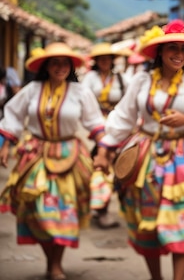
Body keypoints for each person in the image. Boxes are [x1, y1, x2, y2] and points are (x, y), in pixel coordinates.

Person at [93, 19, 184, 280]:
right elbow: (123, 117)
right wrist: (105, 149)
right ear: (159, 52)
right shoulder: (142, 80)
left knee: (182, 223)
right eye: (171, 48)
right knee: (147, 223)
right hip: (146, 155)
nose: (178, 54)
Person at [0, 43, 106, 280]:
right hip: (36, 153)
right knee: (38, 210)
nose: (60, 67)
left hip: (70, 153)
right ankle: (50, 260)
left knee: (65, 211)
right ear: (45, 66)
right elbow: (13, 114)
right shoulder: (32, 90)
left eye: (65, 63)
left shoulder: (81, 92)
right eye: (55, 62)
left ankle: (55, 263)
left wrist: (105, 151)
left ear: (71, 66)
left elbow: (95, 123)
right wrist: (5, 145)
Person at [82, 42, 130, 229]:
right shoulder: (89, 78)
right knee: (100, 166)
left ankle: (126, 207)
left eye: (108, 58)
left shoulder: (121, 79)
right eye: (101, 59)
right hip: (95, 127)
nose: (105, 62)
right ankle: (100, 208)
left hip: (118, 126)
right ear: (96, 61)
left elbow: (128, 101)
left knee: (123, 166)